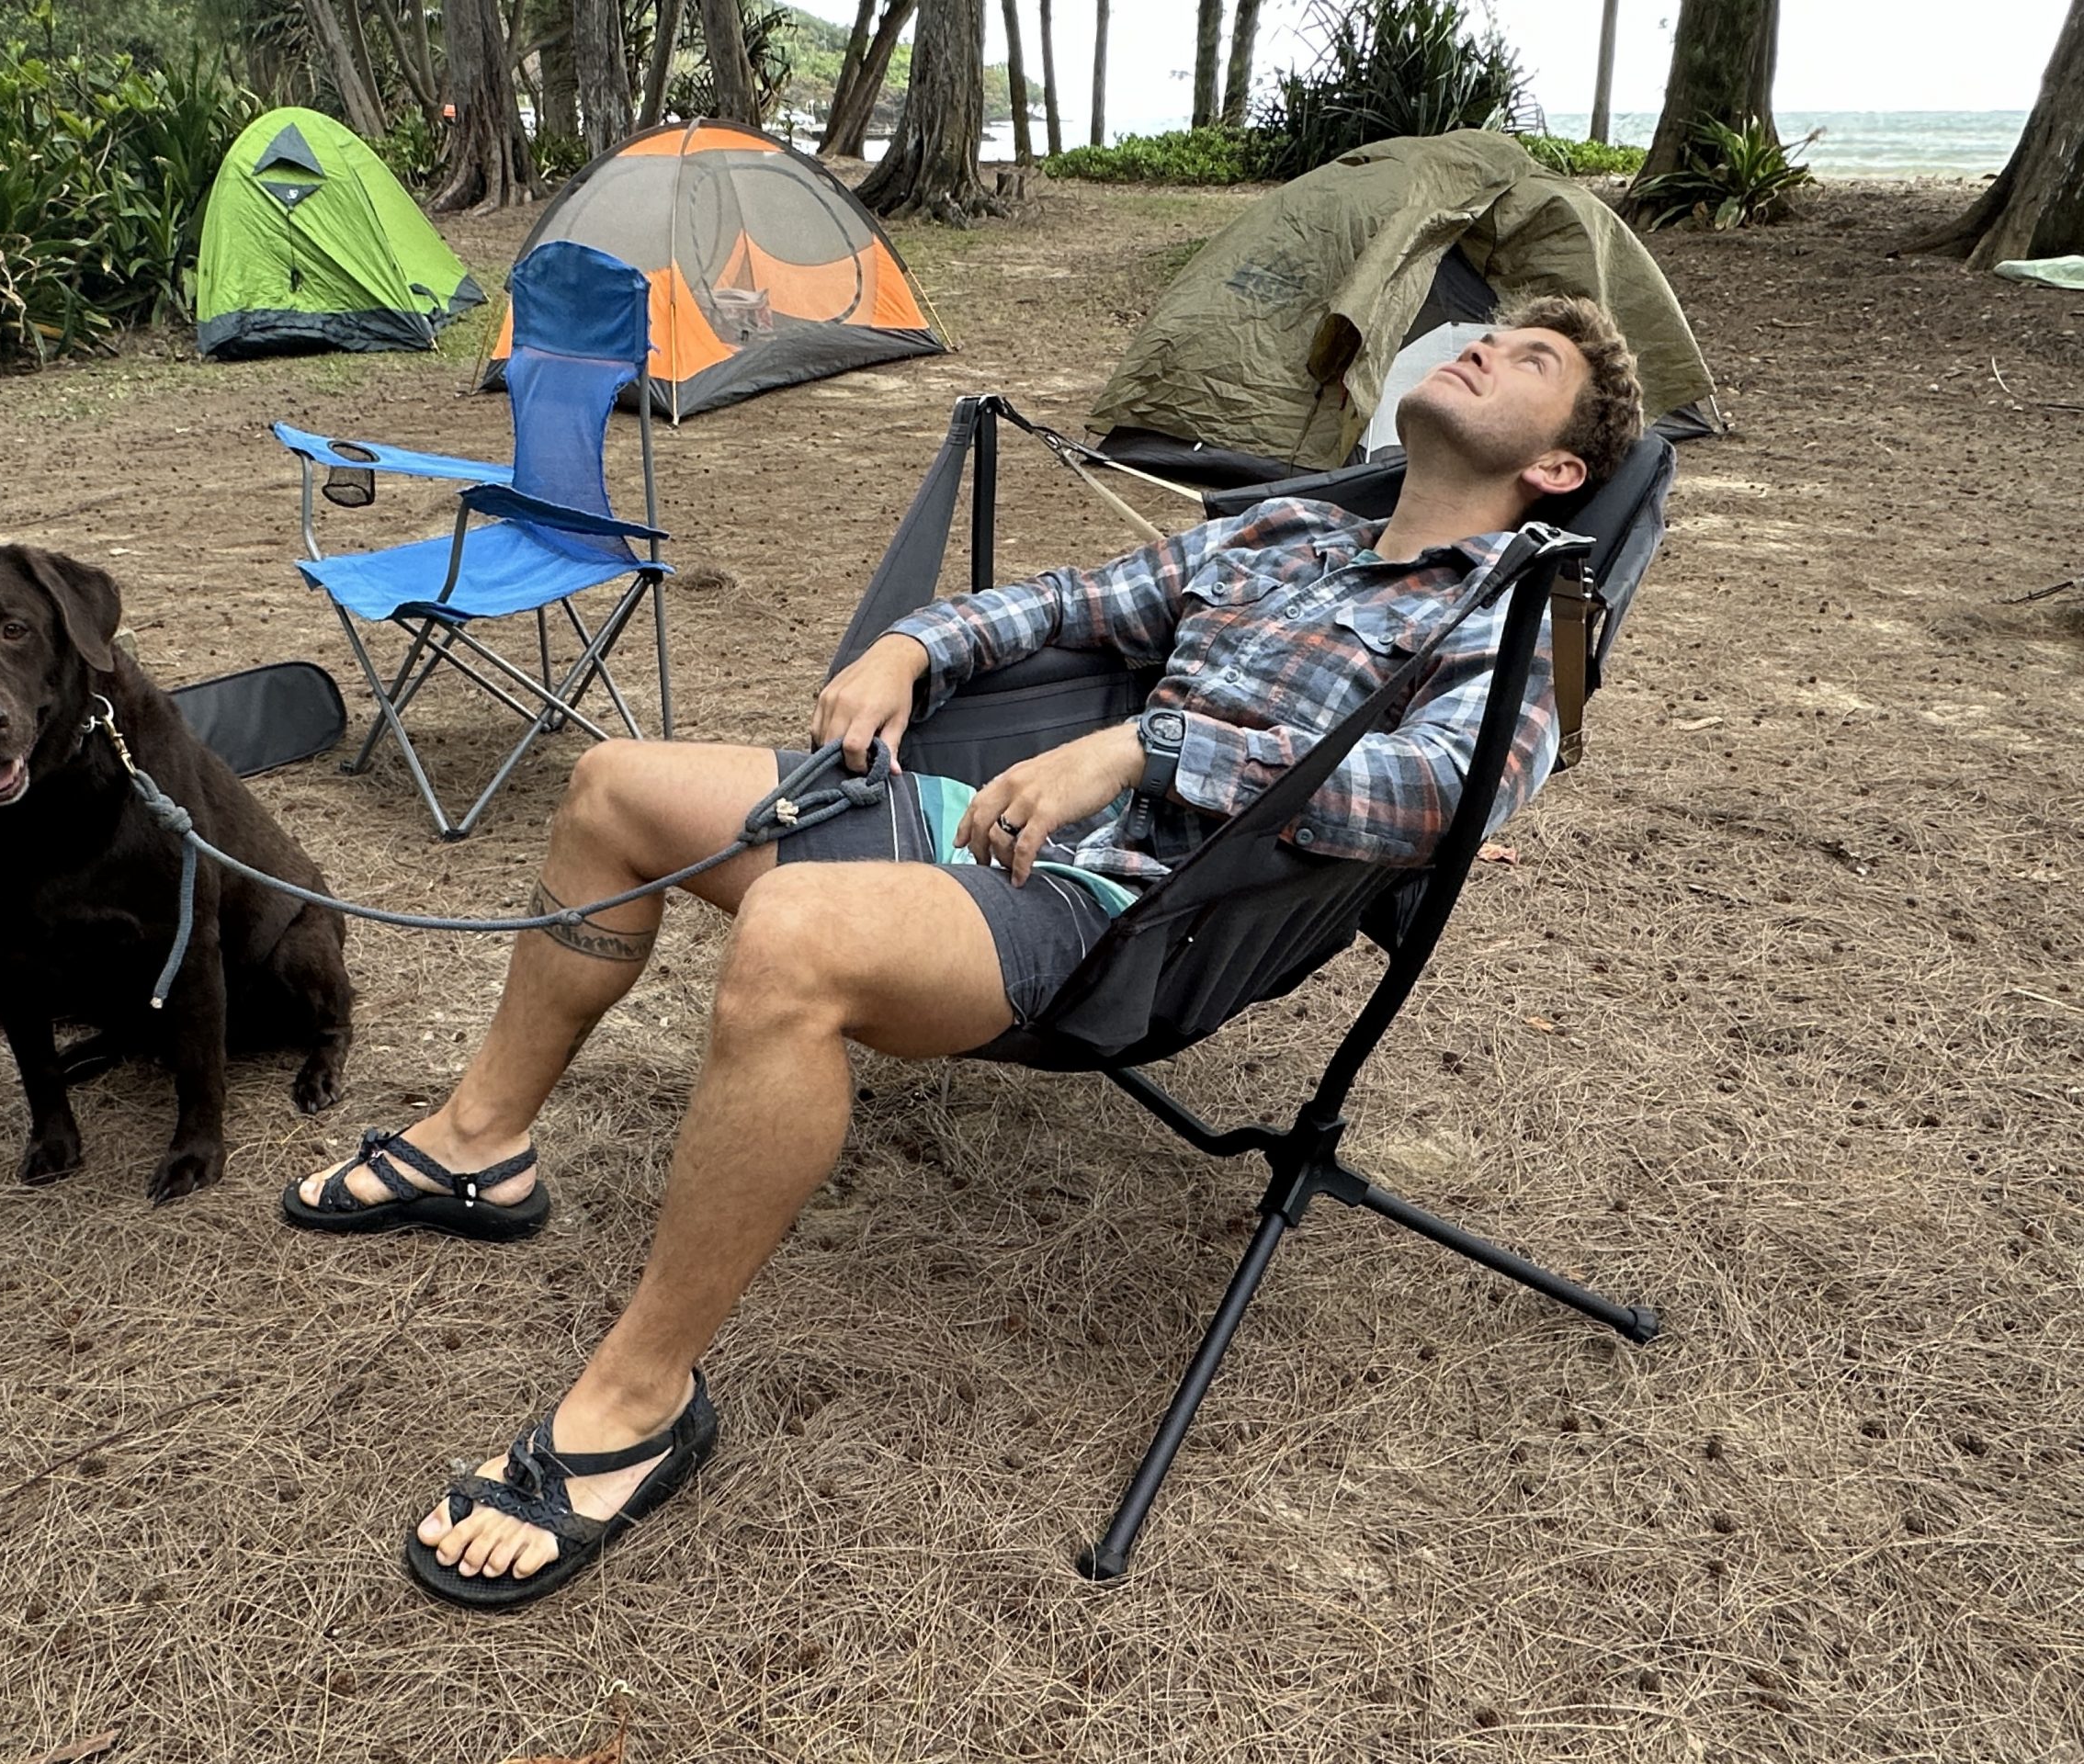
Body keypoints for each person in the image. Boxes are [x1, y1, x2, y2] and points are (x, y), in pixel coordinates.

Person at [287, 294, 1645, 1608]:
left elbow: (1435, 799)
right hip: (990, 820)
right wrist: (906, 642)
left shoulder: (1520, 622)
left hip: (1139, 914)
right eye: (1480, 333)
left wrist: (1151, 744)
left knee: (795, 935)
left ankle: (640, 1401)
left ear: (1557, 464)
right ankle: (479, 1146)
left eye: (1523, 358)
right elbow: (1066, 602)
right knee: (614, 792)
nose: (1478, 349)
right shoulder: (1283, 531)